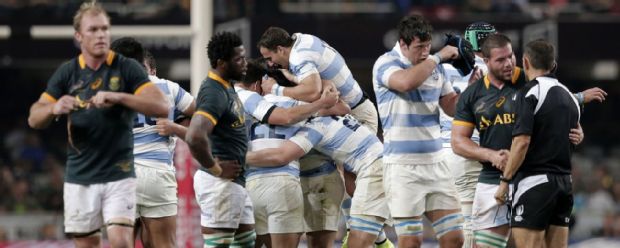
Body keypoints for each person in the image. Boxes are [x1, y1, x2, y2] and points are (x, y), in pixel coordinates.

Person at [27, 2, 169, 247]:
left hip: (120, 172)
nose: (101, 34)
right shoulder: (67, 73)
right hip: (81, 175)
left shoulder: (127, 67)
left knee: (120, 241)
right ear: (79, 36)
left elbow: (161, 106)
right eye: (93, 29)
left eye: (104, 28)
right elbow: (34, 118)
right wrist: (54, 108)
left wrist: (119, 96)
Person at [372, 14, 464, 247]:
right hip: (403, 167)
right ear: (403, 44)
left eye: (428, 46)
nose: (424, 52)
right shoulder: (386, 63)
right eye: (419, 47)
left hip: (436, 164)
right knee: (411, 241)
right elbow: (405, 83)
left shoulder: (435, 68)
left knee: (455, 238)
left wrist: (471, 91)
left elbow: (450, 107)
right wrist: (438, 56)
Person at [234, 59, 342, 247]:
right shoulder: (299, 105)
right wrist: (321, 94)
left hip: (250, 184)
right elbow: (342, 108)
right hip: (284, 182)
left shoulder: (248, 104)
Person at [245, 113, 389, 248]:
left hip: (374, 170)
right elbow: (350, 185)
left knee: (358, 244)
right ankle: (382, 241)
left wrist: (235, 155)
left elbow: (281, 156)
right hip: (375, 166)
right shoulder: (332, 116)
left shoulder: (315, 126)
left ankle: (382, 242)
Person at [110, 37, 196, 248]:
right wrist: (178, 126)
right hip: (156, 171)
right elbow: (205, 116)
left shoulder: (105, 90)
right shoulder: (168, 87)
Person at [494, 39, 580, 248]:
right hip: (564, 184)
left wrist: (505, 182)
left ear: (525, 62)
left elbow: (522, 142)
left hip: (535, 183)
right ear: (553, 65)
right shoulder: (570, 97)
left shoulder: (529, 92)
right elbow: (575, 136)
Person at [185, 32, 255, 248]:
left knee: (245, 243)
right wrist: (215, 169)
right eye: (238, 59)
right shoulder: (214, 91)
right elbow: (195, 136)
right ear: (221, 63)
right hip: (220, 183)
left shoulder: (226, 86)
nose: (245, 63)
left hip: (235, 182)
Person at [256, 26, 379, 134]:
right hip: (351, 109)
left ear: (280, 49)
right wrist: (293, 78)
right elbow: (319, 84)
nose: (271, 64)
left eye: (270, 58)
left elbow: (312, 92)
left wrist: (275, 89)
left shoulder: (298, 57)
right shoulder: (301, 39)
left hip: (358, 115)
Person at [439, 21, 492, 248]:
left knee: (452, 223)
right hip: (470, 149)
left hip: (440, 151)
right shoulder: (492, 69)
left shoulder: (442, 68)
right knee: (473, 222)